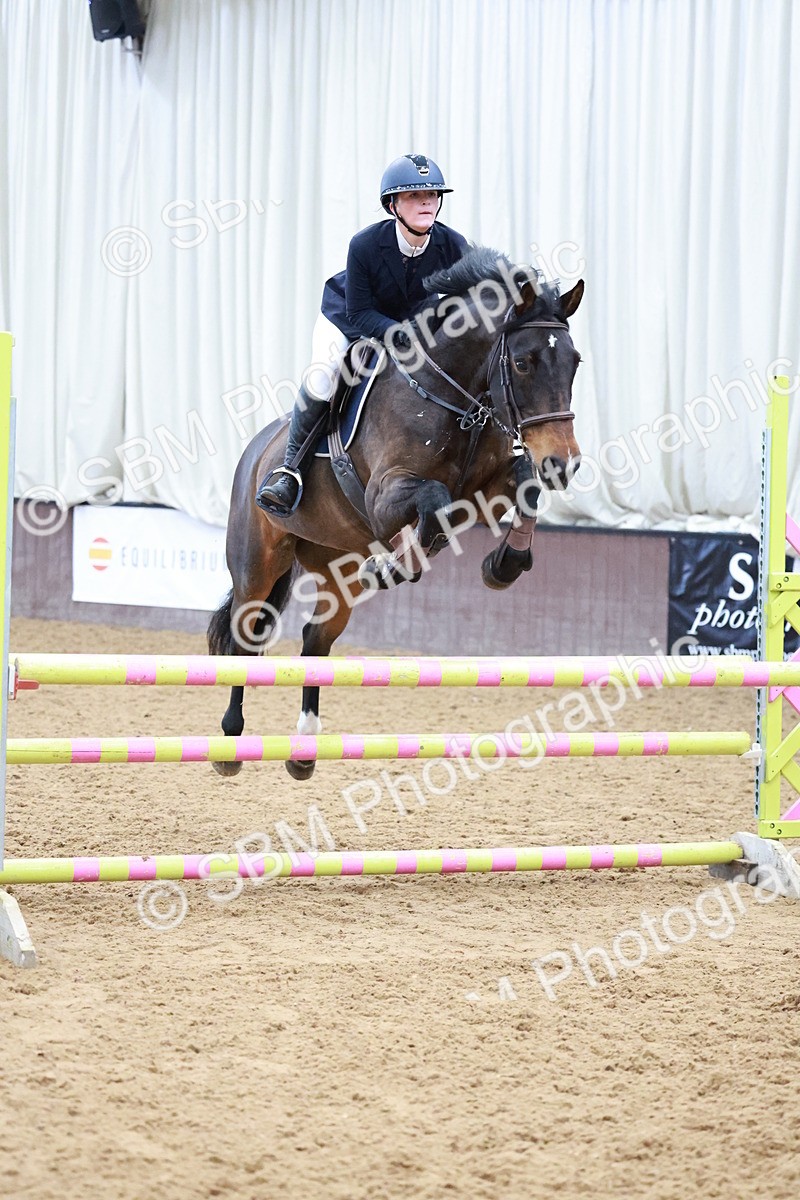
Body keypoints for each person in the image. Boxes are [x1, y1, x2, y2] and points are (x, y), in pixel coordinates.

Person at [255, 153, 469, 515]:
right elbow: (359, 312)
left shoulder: (452, 244)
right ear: (392, 205)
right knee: (324, 376)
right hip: (350, 320)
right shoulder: (365, 244)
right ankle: (290, 471)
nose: (426, 203)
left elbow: (474, 293)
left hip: (408, 326)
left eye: (432, 195)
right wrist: (395, 332)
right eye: (414, 196)